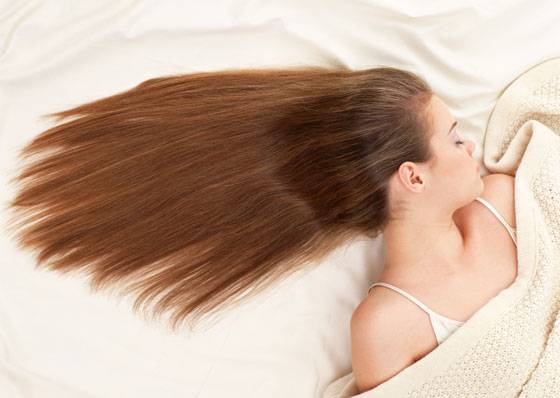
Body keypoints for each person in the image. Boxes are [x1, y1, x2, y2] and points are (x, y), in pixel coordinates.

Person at [350, 94, 517, 393]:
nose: (471, 147)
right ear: (414, 178)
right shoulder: (383, 326)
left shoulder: (502, 200)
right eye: (455, 139)